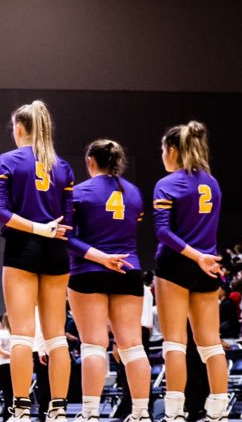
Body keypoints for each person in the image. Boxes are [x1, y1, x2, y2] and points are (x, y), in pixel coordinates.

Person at [0, 101, 76, 422]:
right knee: (55, 335)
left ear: (20, 128)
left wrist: (36, 226)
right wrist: (49, 228)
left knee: (23, 334)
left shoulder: (8, 160)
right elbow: (69, 220)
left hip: (22, 249)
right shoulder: (63, 166)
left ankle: (22, 409)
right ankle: (59, 409)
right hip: (56, 252)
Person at [61, 140, 150, 422]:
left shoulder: (78, 193)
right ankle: (141, 413)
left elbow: (67, 236)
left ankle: (89, 414)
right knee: (133, 345)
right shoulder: (134, 193)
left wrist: (99, 257)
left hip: (88, 272)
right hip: (128, 269)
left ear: (90, 161)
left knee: (94, 345)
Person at [151, 122, 229, 422]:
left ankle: (174, 414)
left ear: (172, 150)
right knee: (210, 343)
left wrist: (194, 256)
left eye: (162, 149)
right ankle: (218, 412)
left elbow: (163, 232)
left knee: (174, 343)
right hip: (207, 265)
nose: (162, 155)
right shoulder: (212, 182)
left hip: (176, 265)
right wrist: (203, 257)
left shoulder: (167, 184)